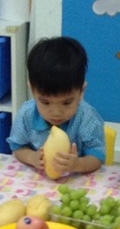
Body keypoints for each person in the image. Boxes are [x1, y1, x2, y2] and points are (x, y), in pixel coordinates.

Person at [7, 36, 105, 177]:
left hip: (76, 182)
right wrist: (31, 157)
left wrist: (77, 164)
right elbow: (17, 147)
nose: (56, 112)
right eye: (46, 102)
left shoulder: (87, 117)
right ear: (33, 90)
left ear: (81, 91)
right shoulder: (27, 114)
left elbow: (97, 157)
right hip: (36, 181)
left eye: (66, 103)